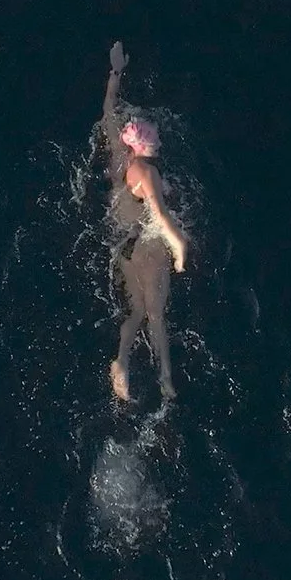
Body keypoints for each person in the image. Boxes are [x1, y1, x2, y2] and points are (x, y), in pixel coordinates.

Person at [95, 41, 189, 402]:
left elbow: (107, 108)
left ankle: (120, 362)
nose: (159, 141)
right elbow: (162, 218)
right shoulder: (147, 173)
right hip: (148, 245)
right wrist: (179, 247)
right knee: (156, 316)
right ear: (147, 147)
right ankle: (166, 381)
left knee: (134, 311)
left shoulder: (118, 154)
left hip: (123, 243)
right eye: (156, 140)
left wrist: (116, 72)